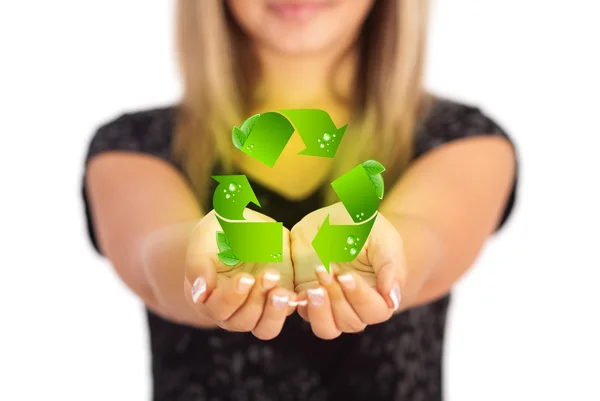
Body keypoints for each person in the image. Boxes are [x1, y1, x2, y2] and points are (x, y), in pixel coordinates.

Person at [82, 1, 518, 400]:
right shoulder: (134, 146)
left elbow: (427, 239)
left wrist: (375, 254)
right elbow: (156, 252)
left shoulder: (463, 139)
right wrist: (209, 268)